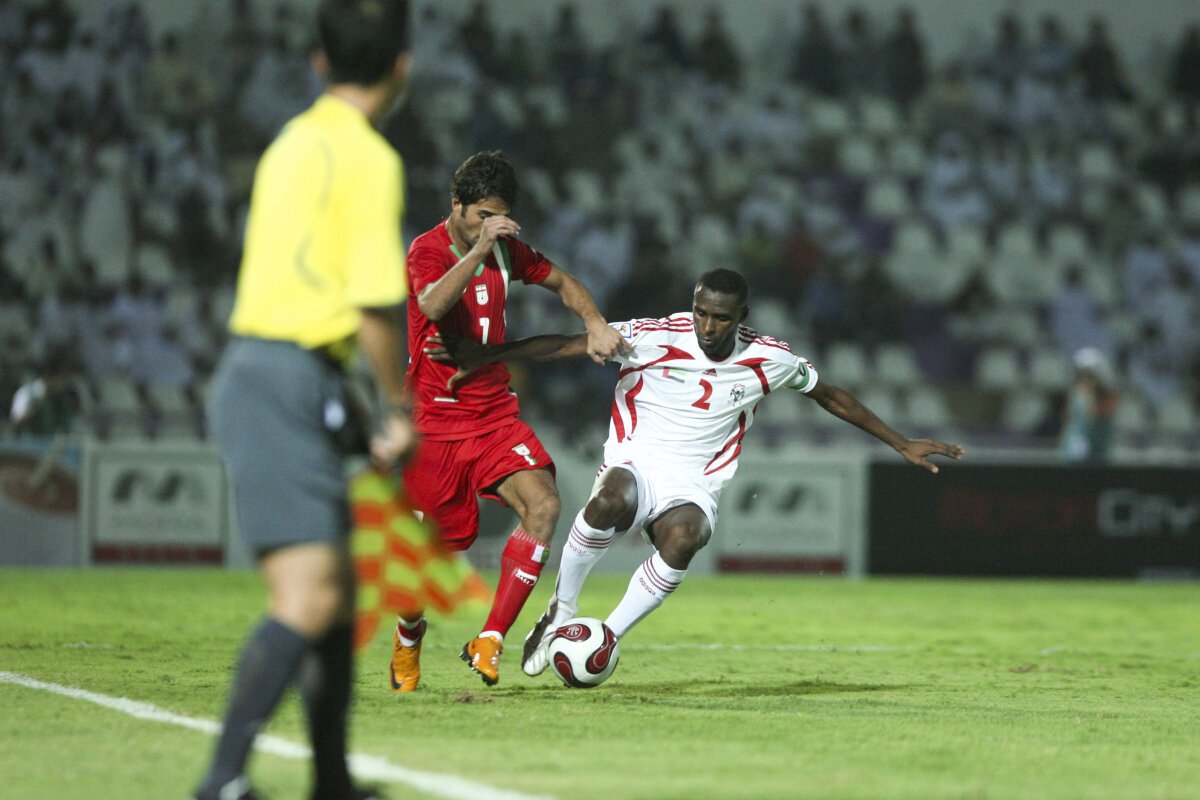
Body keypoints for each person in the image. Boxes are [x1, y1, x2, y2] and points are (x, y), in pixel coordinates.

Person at [428, 269, 964, 675]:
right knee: (608, 500)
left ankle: (604, 638)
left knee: (684, 537)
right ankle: (561, 609)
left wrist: (900, 441)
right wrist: (487, 355)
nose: (708, 326)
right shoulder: (653, 335)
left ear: (741, 315)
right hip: (636, 459)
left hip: (694, 482)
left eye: (721, 318)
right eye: (701, 313)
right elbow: (569, 343)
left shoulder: (770, 359)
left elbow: (830, 395)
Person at [196, 2, 415, 799]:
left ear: (319, 61)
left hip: (275, 369)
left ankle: (332, 782)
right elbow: (372, 304)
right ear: (402, 67)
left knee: (338, 595)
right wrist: (397, 409)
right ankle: (221, 781)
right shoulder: (370, 158)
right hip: (287, 376)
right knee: (309, 593)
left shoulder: (289, 142)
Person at [389, 149, 628, 690]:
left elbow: (563, 281)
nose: (491, 226)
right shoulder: (427, 250)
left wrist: (594, 322)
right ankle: (408, 636)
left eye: (499, 217)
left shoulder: (506, 251)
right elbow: (431, 306)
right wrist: (479, 248)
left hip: (493, 413)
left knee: (544, 505)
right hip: (434, 422)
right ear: (456, 204)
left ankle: (490, 639)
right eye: (482, 216)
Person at [1059, 347, 1119, 464]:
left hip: (1098, 457)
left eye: (1090, 376)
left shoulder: (1108, 398)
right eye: (1081, 376)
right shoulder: (1076, 396)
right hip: (1071, 458)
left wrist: (1090, 399)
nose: (1085, 381)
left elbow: (1096, 413)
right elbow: (1070, 421)